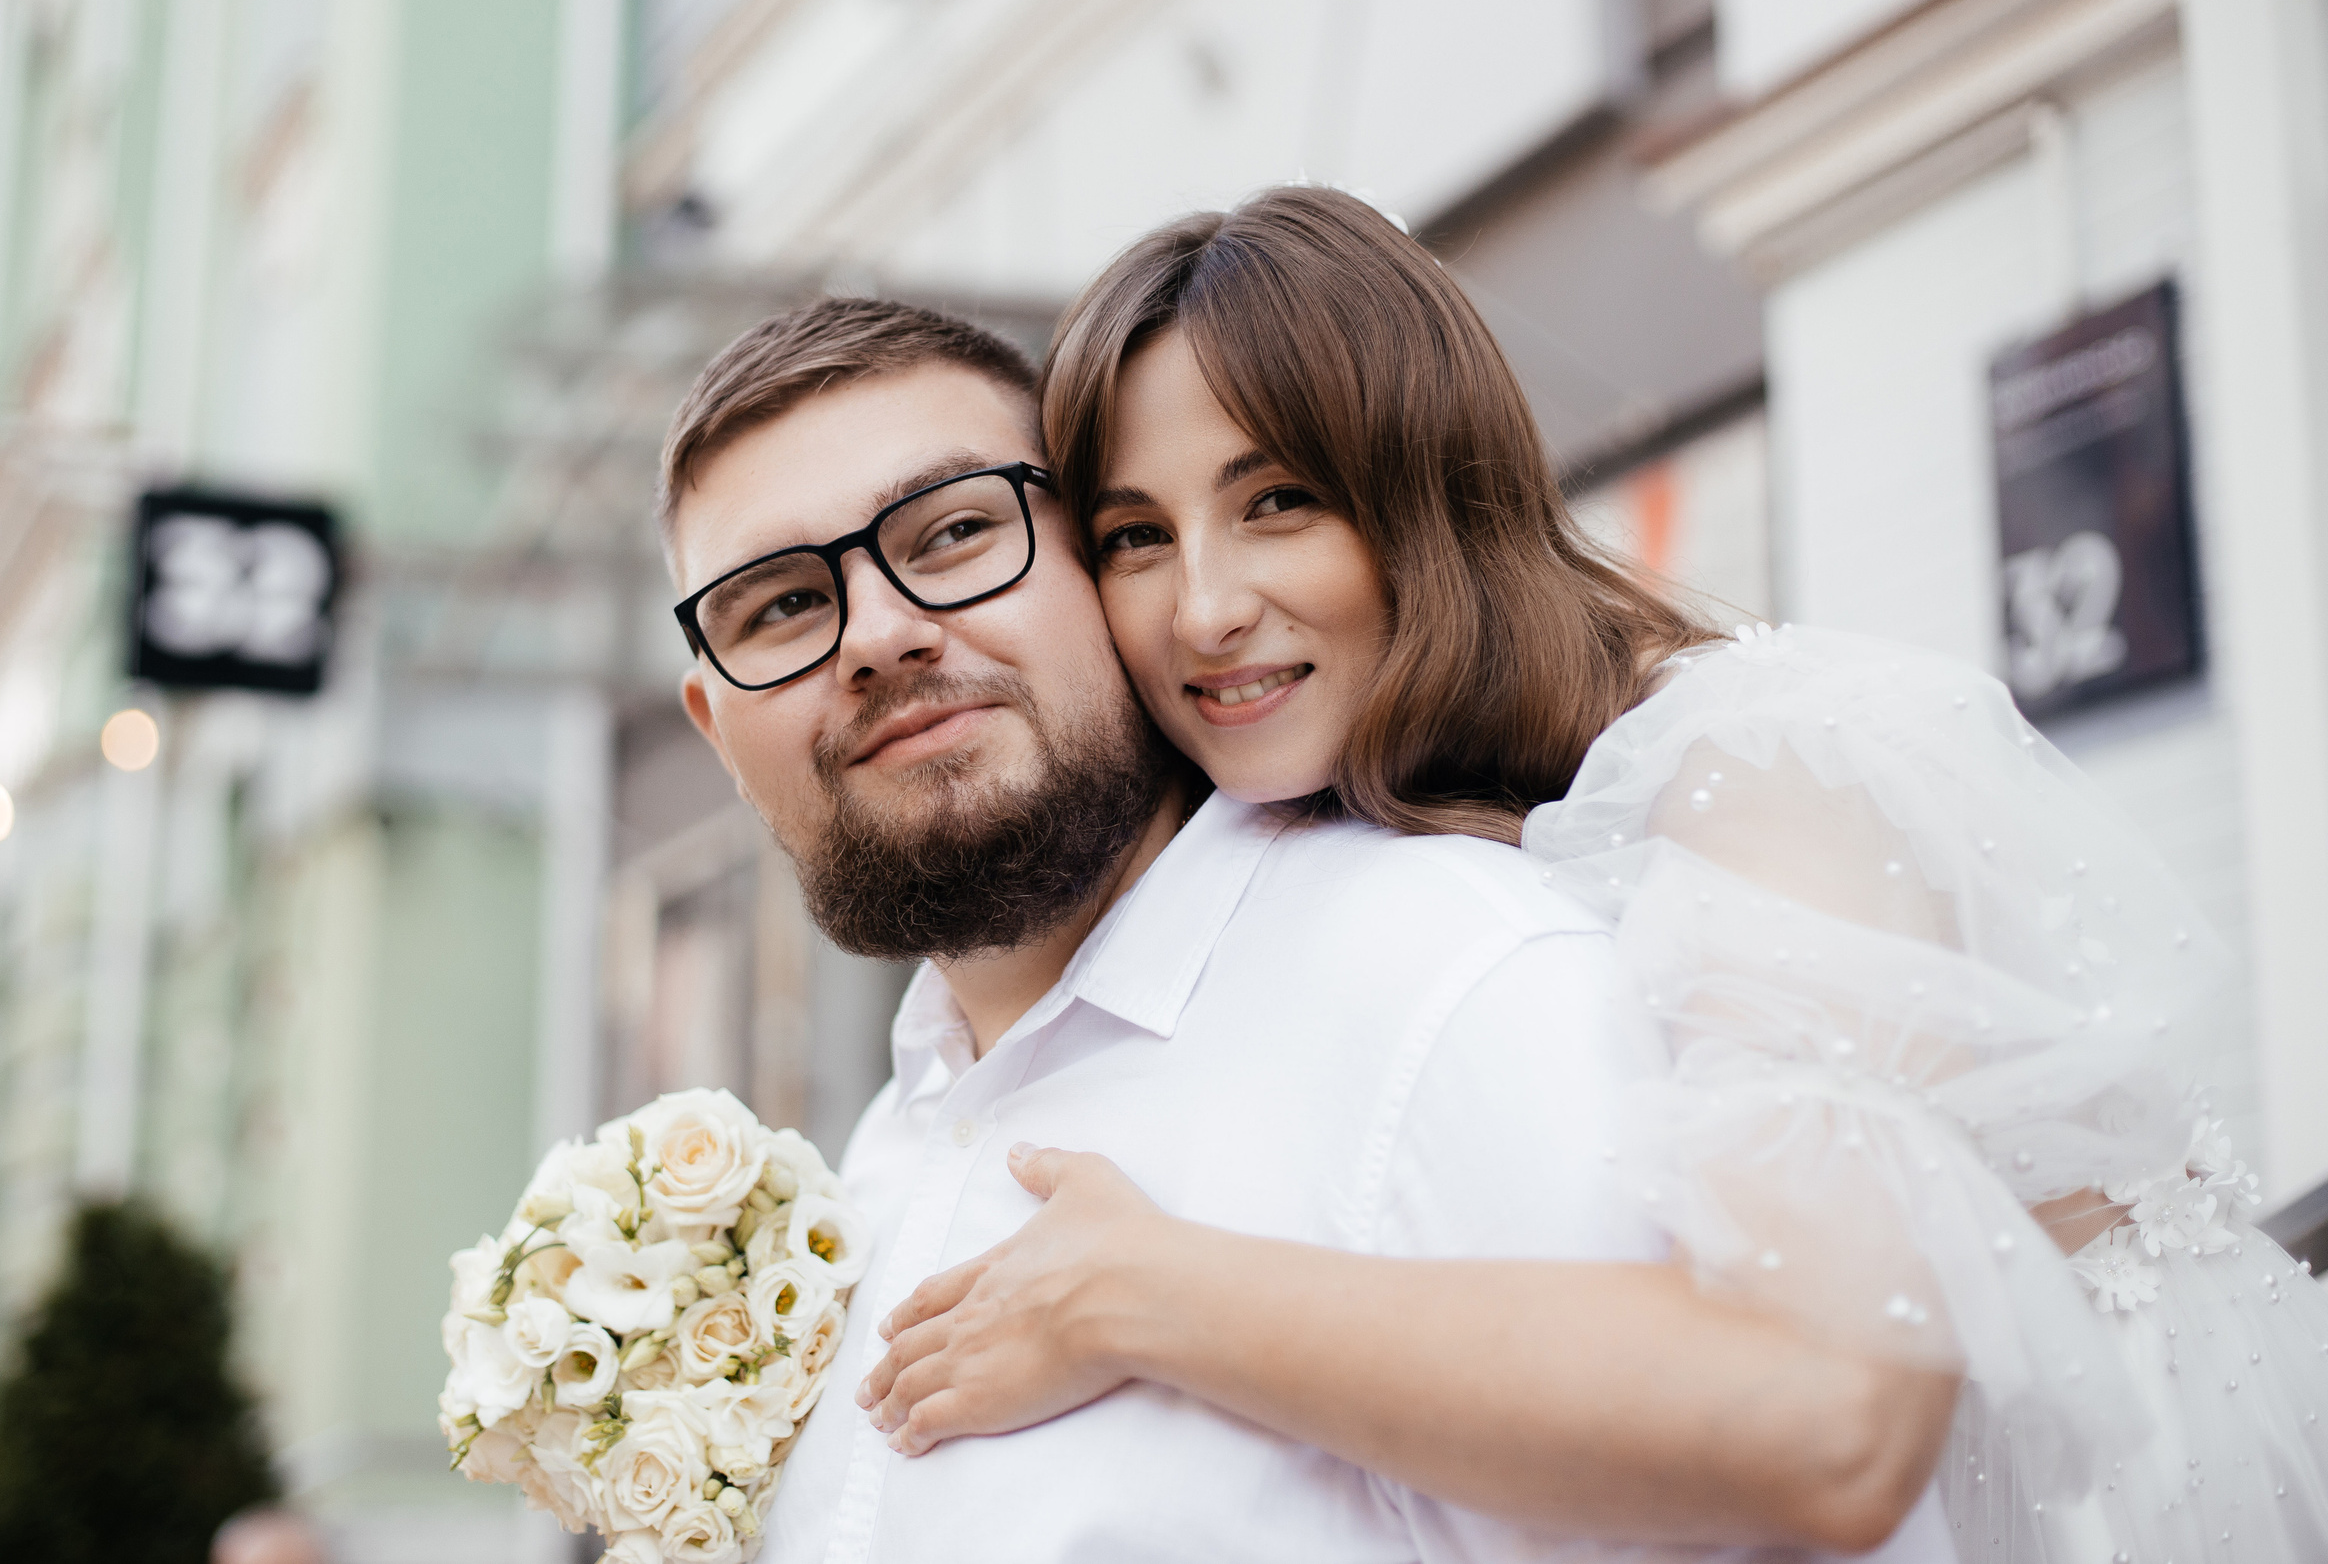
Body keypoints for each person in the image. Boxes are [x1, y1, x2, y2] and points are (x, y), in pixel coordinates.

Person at [853, 186, 2328, 1563]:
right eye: (1134, 538)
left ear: (1424, 489)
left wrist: (1150, 1294)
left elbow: (1840, 1426)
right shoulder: (1364, 826)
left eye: (1279, 502)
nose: (1208, 609)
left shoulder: (1755, 773)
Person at [659, 297, 1963, 1562]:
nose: (879, 635)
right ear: (716, 730)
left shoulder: (1447, 974)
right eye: (777, 608)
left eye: (950, 533)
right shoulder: (879, 1162)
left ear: (1084, 570)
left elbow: (1810, 1454)